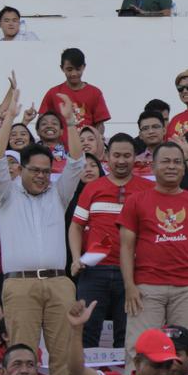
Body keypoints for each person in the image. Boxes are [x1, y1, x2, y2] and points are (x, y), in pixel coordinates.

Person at [0, 89, 85, 375]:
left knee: (64, 358)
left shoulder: (59, 193)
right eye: (35, 171)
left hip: (59, 283)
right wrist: (10, 119)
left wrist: (70, 124)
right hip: (19, 285)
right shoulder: (6, 194)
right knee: (22, 359)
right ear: (21, 169)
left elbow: (78, 163)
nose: (42, 176)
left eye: (46, 171)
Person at [121, 141, 188, 364]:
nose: (172, 166)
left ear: (184, 168)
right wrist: (129, 286)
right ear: (153, 167)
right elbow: (126, 246)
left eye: (177, 162)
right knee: (139, 350)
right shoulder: (136, 201)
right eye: (166, 161)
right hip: (146, 287)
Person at [70, 132, 151, 349]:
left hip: (134, 274)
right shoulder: (92, 188)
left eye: (127, 155)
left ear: (136, 157)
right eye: (117, 155)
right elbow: (76, 226)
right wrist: (76, 258)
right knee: (87, 334)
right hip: (93, 271)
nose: (122, 161)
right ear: (107, 156)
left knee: (128, 336)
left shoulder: (148, 189)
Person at [68, 301, 188, 375]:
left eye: (169, 362)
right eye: (157, 364)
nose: (165, 371)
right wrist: (76, 330)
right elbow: (77, 371)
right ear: (137, 362)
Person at [40, 47, 111, 133]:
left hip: (86, 145)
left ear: (84, 67)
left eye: (78, 69)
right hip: (61, 146)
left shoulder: (95, 92)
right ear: (62, 68)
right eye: (69, 69)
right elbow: (42, 120)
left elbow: (100, 124)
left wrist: (97, 141)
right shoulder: (53, 93)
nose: (74, 74)